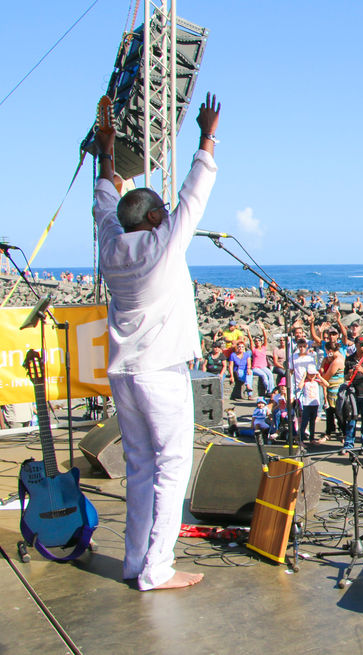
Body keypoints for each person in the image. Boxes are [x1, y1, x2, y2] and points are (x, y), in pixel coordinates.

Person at [92, 92, 220, 591]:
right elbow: (194, 197)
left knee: (140, 466)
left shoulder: (110, 244)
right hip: (161, 371)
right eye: (161, 211)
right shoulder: (162, 244)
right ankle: (157, 567)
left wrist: (107, 154)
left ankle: (134, 561)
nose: (168, 215)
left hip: (123, 371)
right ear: (150, 220)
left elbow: (105, 202)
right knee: (172, 466)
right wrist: (206, 138)